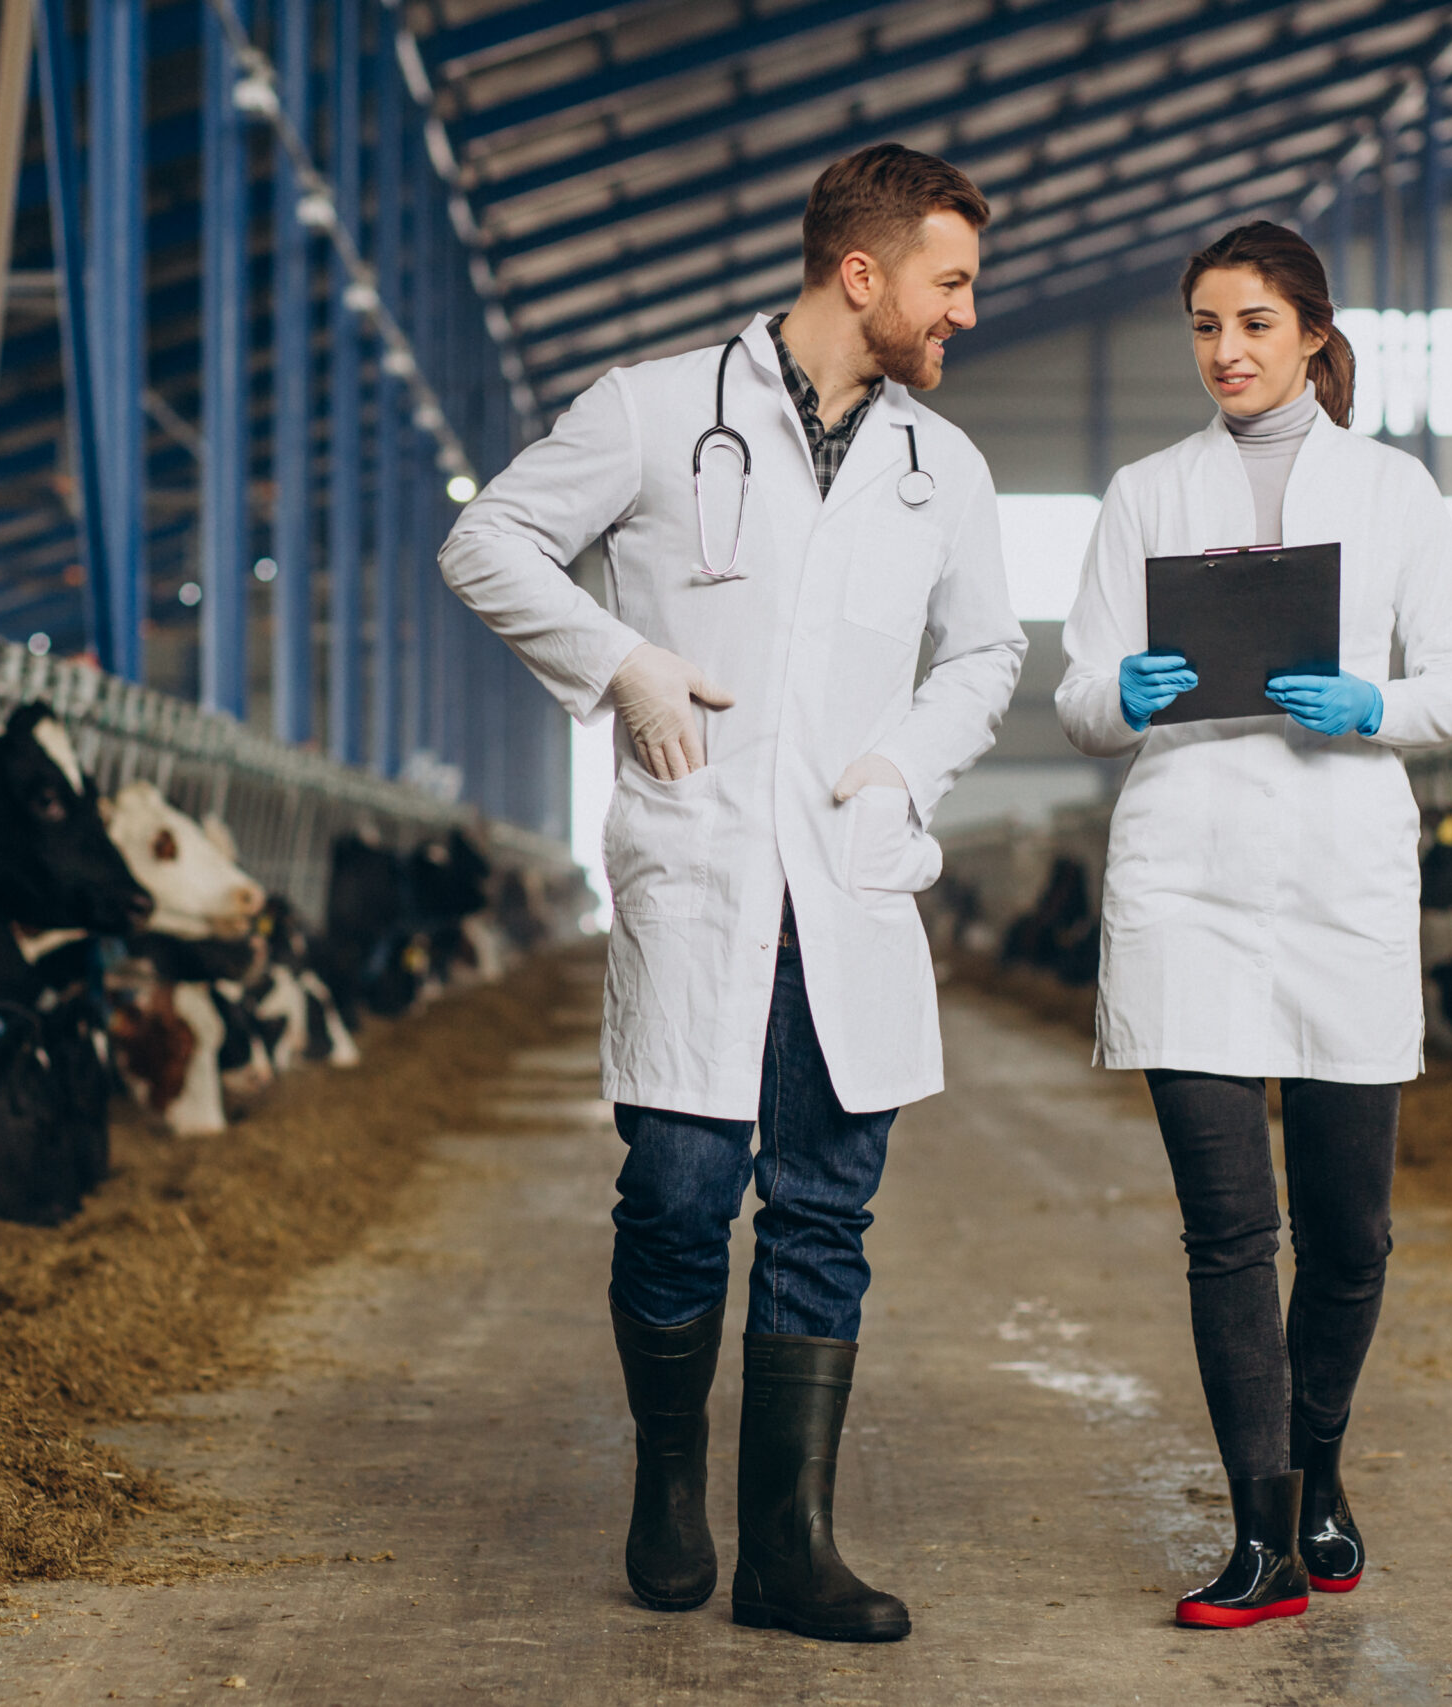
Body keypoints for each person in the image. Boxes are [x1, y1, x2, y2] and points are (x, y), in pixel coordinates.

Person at [439, 143, 1025, 1643]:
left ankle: (791, 1549)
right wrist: (620, 666)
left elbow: (985, 656)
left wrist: (904, 767)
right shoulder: (650, 409)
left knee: (825, 1211)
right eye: (948, 282)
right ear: (862, 273)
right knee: (680, 1197)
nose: (965, 310)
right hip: (701, 873)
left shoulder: (939, 467)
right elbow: (486, 540)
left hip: (850, 877)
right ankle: (666, 1477)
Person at [1055, 221, 1452, 1629]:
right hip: (1186, 879)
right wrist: (1123, 693)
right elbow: (1074, 698)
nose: (1227, 352)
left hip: (1339, 883)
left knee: (1351, 1235)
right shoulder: (1145, 493)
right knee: (1228, 1232)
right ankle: (1257, 1539)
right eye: (1204, 326)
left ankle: (1319, 1472)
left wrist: (1382, 710)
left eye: (1253, 323)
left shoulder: (1394, 491)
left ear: (1313, 332)